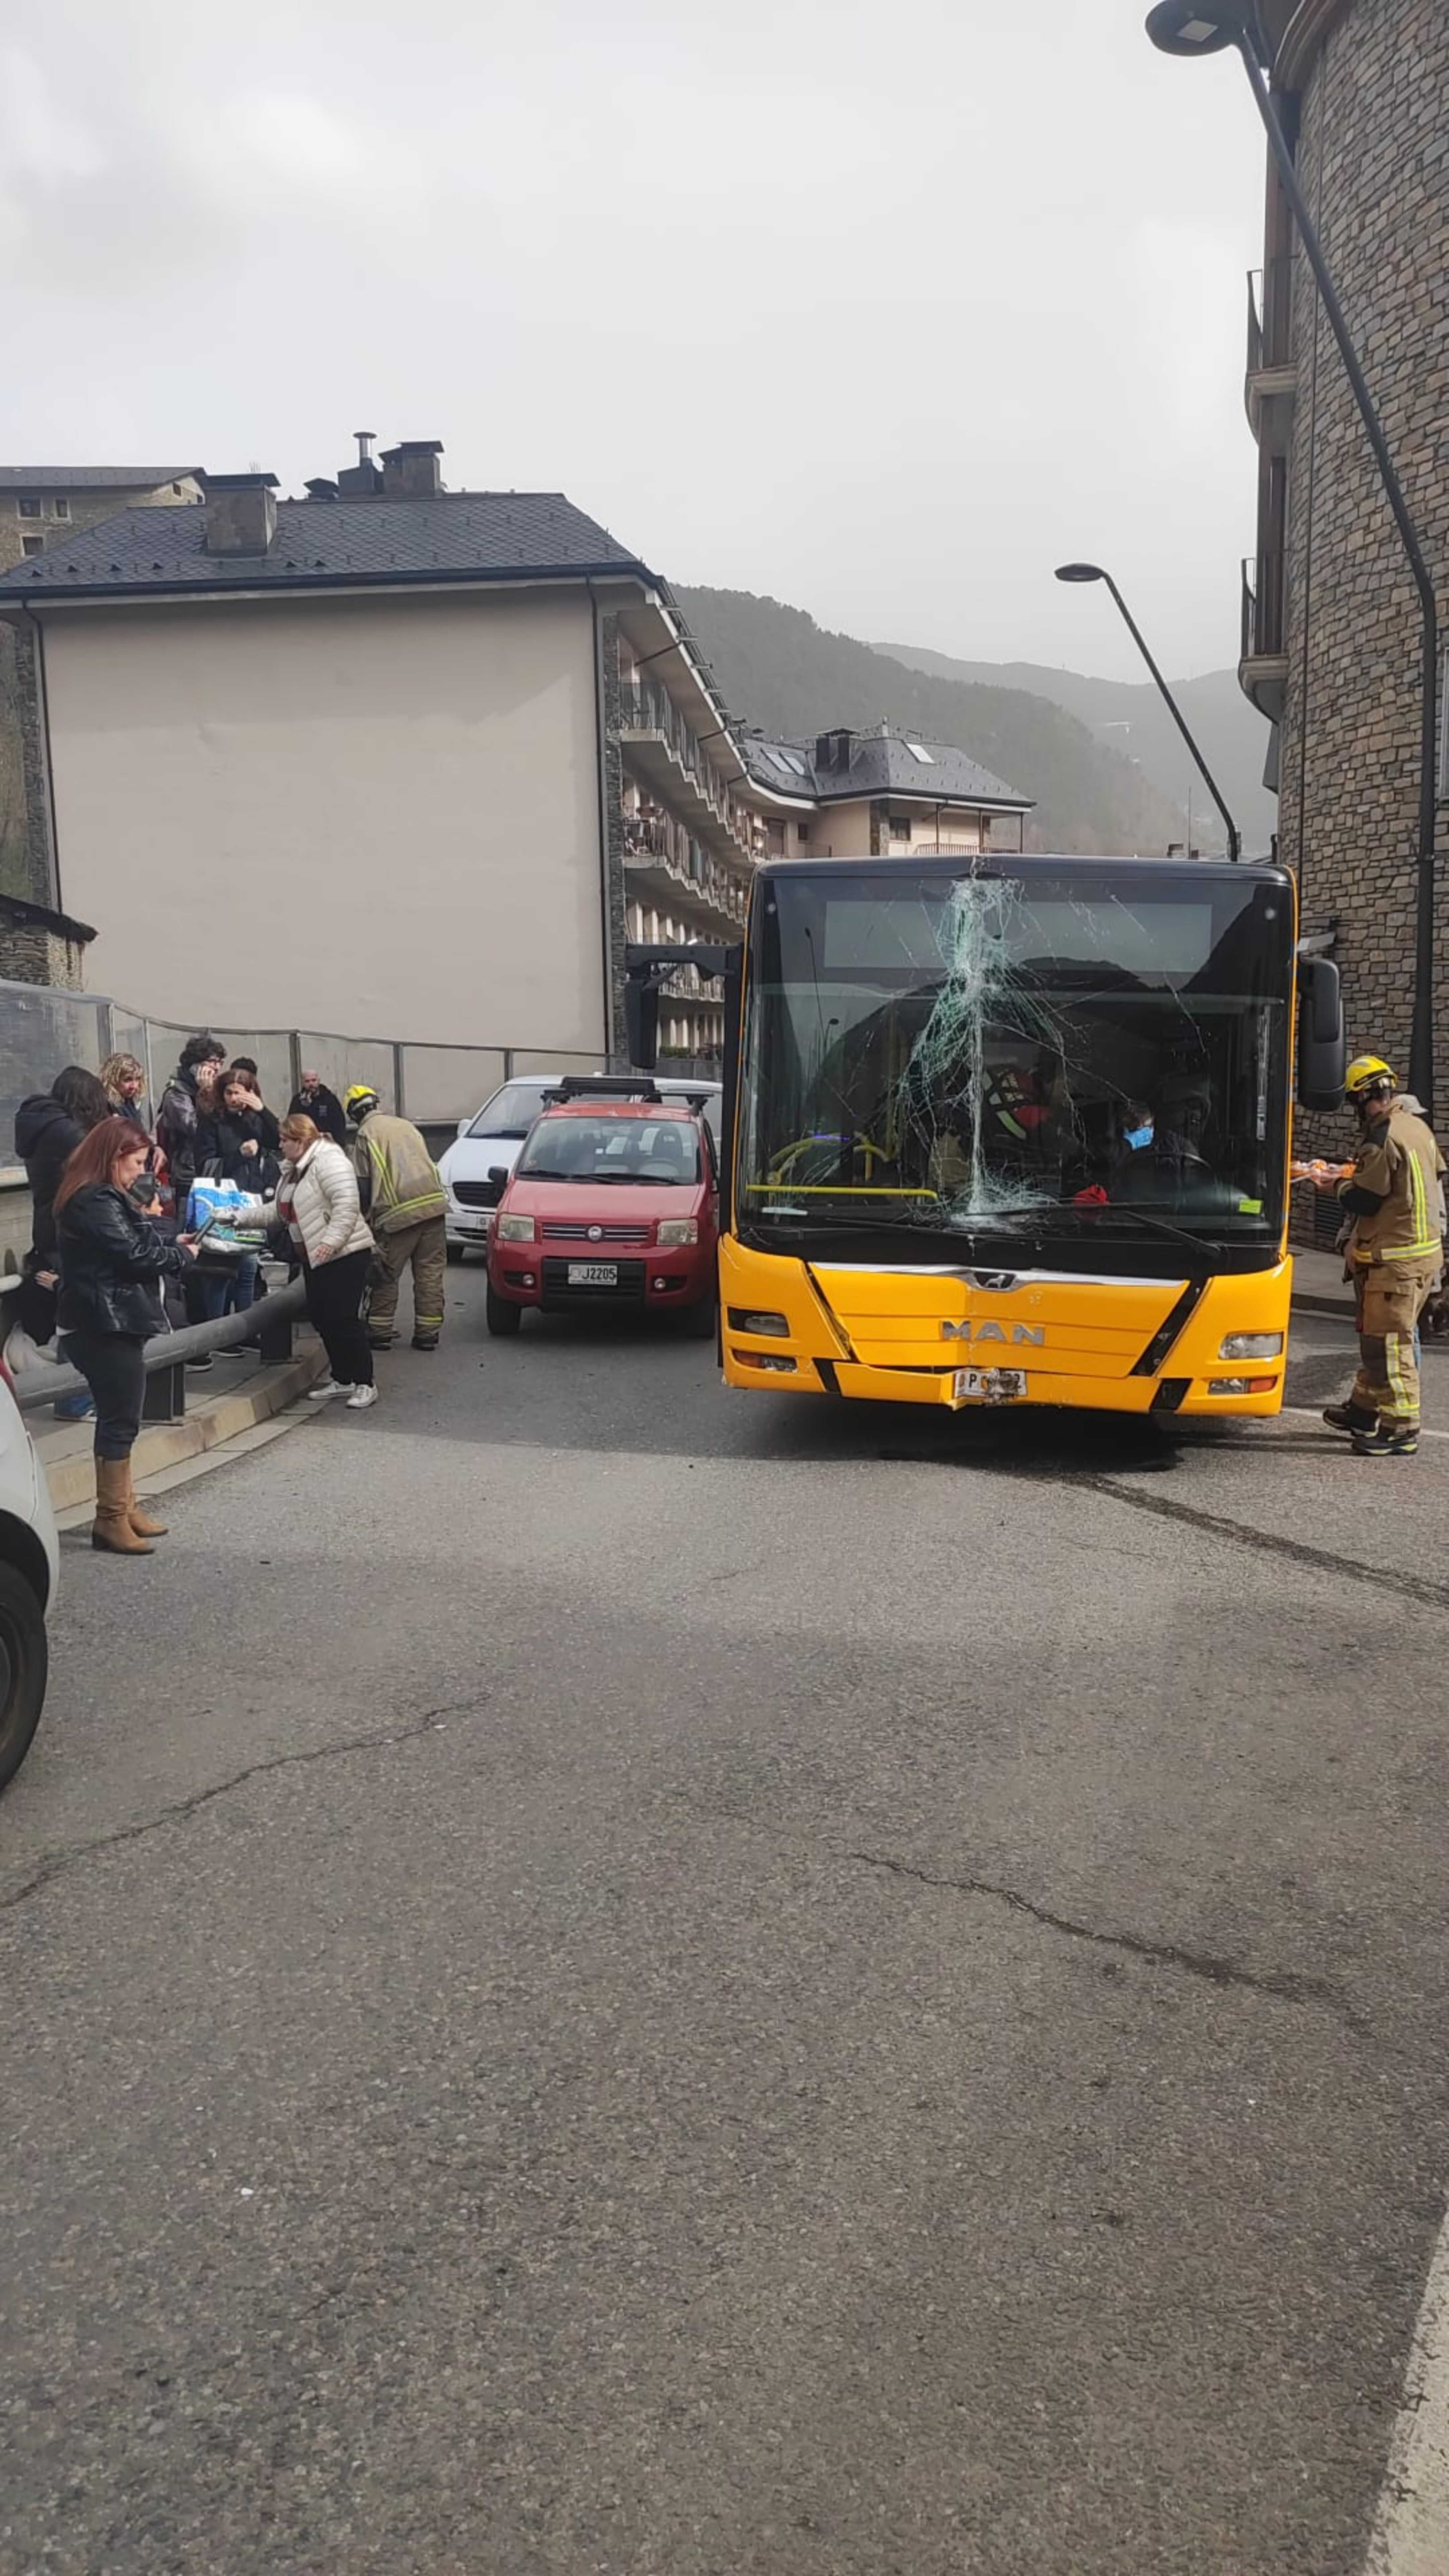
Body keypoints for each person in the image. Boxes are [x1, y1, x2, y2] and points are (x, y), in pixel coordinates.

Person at [53, 1117, 197, 1554]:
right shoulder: (96, 1198)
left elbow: (132, 1247)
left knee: (120, 1419)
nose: (140, 1173)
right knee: (121, 1419)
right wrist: (180, 1255)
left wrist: (171, 1248)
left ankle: (122, 1507)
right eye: (136, 1163)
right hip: (105, 1324)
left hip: (104, 1319)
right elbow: (133, 1255)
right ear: (114, 1157)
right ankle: (112, 1518)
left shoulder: (92, 1196)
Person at [1319, 1054, 1447, 1458]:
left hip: (1397, 1261)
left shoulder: (1383, 1137)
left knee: (1391, 1346)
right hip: (1420, 1255)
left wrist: (1333, 1183)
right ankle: (1363, 1409)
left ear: (1362, 1100)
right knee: (1377, 1340)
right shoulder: (1416, 1127)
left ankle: (1400, 1429)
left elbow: (1367, 1200)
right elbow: (1422, 1179)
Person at [228, 1113, 377, 1409]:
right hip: (314, 1256)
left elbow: (346, 1206)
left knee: (344, 1319)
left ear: (301, 1141)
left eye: (285, 1140)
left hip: (344, 1255)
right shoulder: (295, 1170)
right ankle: (343, 1378)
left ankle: (365, 1382)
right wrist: (238, 1218)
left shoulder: (330, 1162)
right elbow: (278, 1211)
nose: (280, 1146)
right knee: (323, 1318)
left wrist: (329, 1244)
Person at [14, 1065, 111, 1414]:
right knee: (79, 1317)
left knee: (73, 1312)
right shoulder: (69, 1135)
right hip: (72, 1231)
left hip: (50, 1228)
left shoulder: (41, 1127)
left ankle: (77, 1398)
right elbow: (103, 1170)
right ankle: (75, 1401)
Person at [344, 1085, 448, 1352]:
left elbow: (364, 1186)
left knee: (385, 1273)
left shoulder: (366, 1134)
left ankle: (380, 1331)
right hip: (434, 1208)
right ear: (376, 1104)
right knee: (430, 1274)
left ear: (354, 1114)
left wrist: (361, 1220)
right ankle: (428, 1334)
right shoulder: (406, 1126)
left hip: (398, 1215)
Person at [157, 1034, 227, 1362]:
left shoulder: (211, 1094)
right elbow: (195, 1130)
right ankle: (191, 1333)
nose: (217, 1070)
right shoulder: (178, 1095)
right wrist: (205, 1095)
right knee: (191, 1258)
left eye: (219, 1064)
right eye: (212, 1063)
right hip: (188, 1181)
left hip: (214, 1177)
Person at [197, 1069, 281, 1314]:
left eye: (240, 1093)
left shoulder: (255, 1118)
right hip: (223, 1202)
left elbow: (279, 1141)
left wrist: (263, 1110)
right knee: (222, 1274)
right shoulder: (213, 1121)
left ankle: (245, 1330)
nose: (234, 1099)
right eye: (229, 1093)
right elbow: (205, 1164)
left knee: (248, 1272)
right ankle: (219, 1332)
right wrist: (238, 1156)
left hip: (251, 1200)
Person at [288, 1068, 347, 1147]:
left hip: (327, 1144)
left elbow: (339, 1122)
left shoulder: (329, 1099)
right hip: (305, 1145)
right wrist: (305, 1106)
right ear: (302, 1083)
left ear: (319, 1081)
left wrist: (340, 1143)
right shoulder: (297, 1101)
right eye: (307, 1081)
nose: (311, 1084)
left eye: (314, 1080)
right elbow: (292, 1122)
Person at [100, 1053, 149, 1126]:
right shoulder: (105, 1108)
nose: (134, 1086)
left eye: (138, 1079)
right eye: (128, 1080)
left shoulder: (132, 1103)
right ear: (113, 1080)